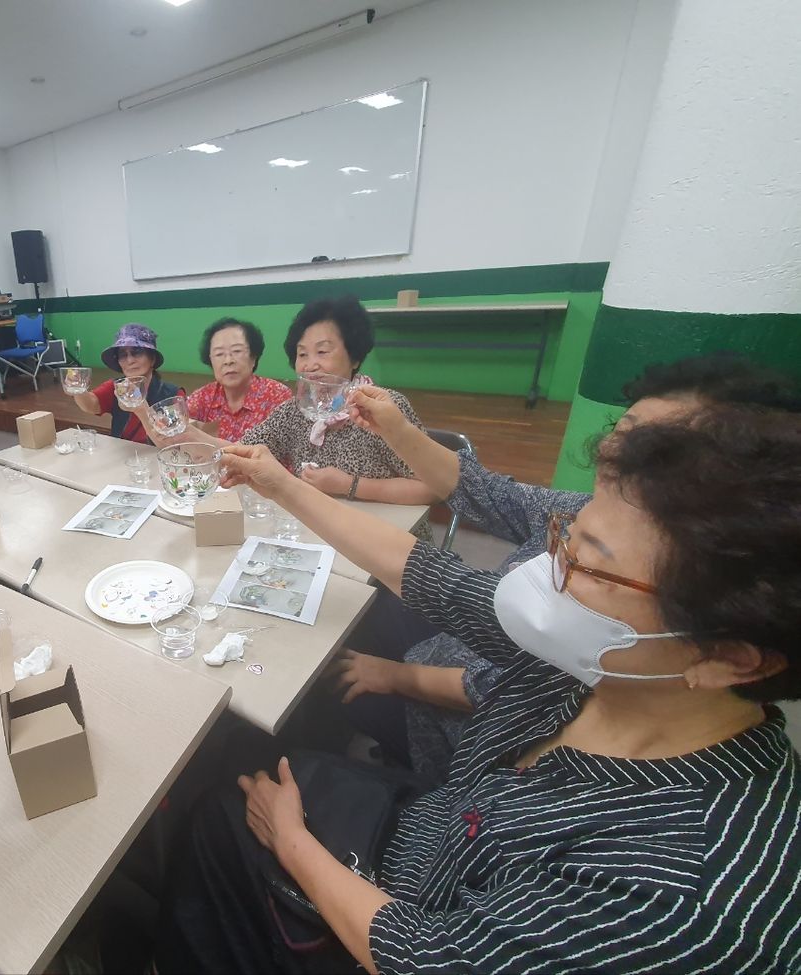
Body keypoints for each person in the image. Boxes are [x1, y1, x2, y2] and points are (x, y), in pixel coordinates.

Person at [158, 409, 801, 975]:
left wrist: (292, 842)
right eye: (562, 534)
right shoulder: (609, 662)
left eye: (586, 563)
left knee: (216, 812)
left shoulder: (683, 900)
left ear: (726, 658)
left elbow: (429, 956)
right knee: (254, 753)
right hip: (435, 830)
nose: (544, 575)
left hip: (410, 919)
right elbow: (431, 576)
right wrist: (280, 483)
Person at [337, 353, 801, 781]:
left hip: (454, 729)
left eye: (656, 451)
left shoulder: (609, 656)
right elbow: (491, 499)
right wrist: (395, 431)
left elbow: (495, 670)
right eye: (624, 430)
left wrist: (394, 676)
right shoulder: (593, 521)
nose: (617, 454)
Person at [141, 297, 435, 506]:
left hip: (383, 537)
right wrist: (186, 433)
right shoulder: (295, 411)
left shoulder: (383, 407)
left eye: (323, 352)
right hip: (314, 531)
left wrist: (350, 485)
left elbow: (431, 488)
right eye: (302, 354)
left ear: (355, 356)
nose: (310, 364)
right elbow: (243, 452)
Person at [67, 323, 183, 443]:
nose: (130, 360)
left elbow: (172, 443)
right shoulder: (116, 387)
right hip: (122, 452)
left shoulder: (173, 395)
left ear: (152, 359)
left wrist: (142, 410)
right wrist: (78, 388)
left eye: (137, 352)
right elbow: (91, 405)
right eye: (123, 355)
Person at [187, 317, 292, 441]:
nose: (228, 361)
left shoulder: (278, 396)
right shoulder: (203, 397)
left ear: (253, 357)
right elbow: (177, 425)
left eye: (237, 351)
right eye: (219, 354)